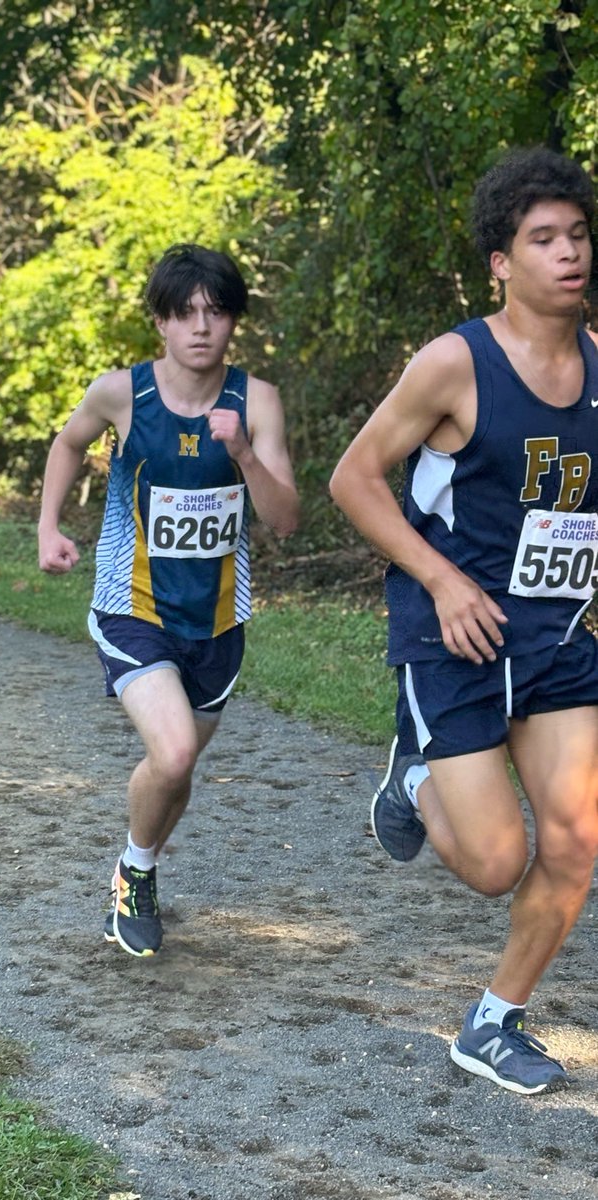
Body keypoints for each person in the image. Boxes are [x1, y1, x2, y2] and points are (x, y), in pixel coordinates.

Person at [329, 146, 598, 1095]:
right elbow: (354, 480)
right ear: (501, 261)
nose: (567, 253)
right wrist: (442, 581)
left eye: (577, 234)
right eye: (542, 239)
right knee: (494, 864)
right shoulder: (454, 363)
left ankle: (492, 1023)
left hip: (560, 638)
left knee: (574, 842)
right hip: (455, 635)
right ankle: (413, 774)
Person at [38, 243, 299, 957]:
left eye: (216, 312)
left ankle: (138, 861)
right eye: (185, 313)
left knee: (174, 770)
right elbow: (68, 445)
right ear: (160, 322)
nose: (201, 328)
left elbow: (284, 519)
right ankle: (135, 873)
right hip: (134, 605)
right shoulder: (122, 393)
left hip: (218, 621)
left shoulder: (258, 401)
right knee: (176, 751)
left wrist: (244, 453)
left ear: (234, 322)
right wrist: (49, 526)